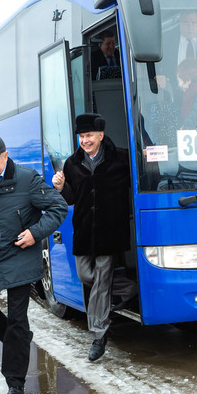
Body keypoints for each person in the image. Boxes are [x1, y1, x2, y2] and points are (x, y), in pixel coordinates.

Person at [0, 134, 67, 394]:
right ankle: (21, 340)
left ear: (5, 155)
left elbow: (58, 208)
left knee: (16, 319)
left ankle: (15, 381)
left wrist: (35, 234)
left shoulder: (27, 179)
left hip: (18, 256)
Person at [51, 114, 136, 362]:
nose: (85, 140)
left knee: (100, 282)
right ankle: (131, 288)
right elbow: (70, 199)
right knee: (85, 276)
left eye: (89, 135)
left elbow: (138, 184)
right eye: (81, 136)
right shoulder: (72, 163)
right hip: (85, 232)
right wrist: (60, 187)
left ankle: (99, 335)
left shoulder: (121, 157)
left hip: (111, 231)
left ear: (100, 135)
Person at [155, 10, 197, 91]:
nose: (190, 27)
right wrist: (159, 75)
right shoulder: (166, 38)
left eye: (194, 23)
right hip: (173, 91)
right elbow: (155, 62)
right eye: (186, 22)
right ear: (180, 23)